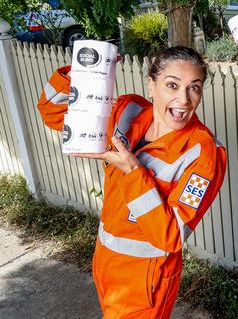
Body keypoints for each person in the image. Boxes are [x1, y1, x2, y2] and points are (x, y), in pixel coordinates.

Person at [37, 46, 227, 318]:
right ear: (151, 84)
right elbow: (52, 112)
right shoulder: (129, 110)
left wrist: (133, 171)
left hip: (145, 280)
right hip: (105, 261)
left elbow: (171, 236)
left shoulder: (203, 153)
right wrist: (89, 72)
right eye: (172, 85)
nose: (184, 99)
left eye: (194, 88)